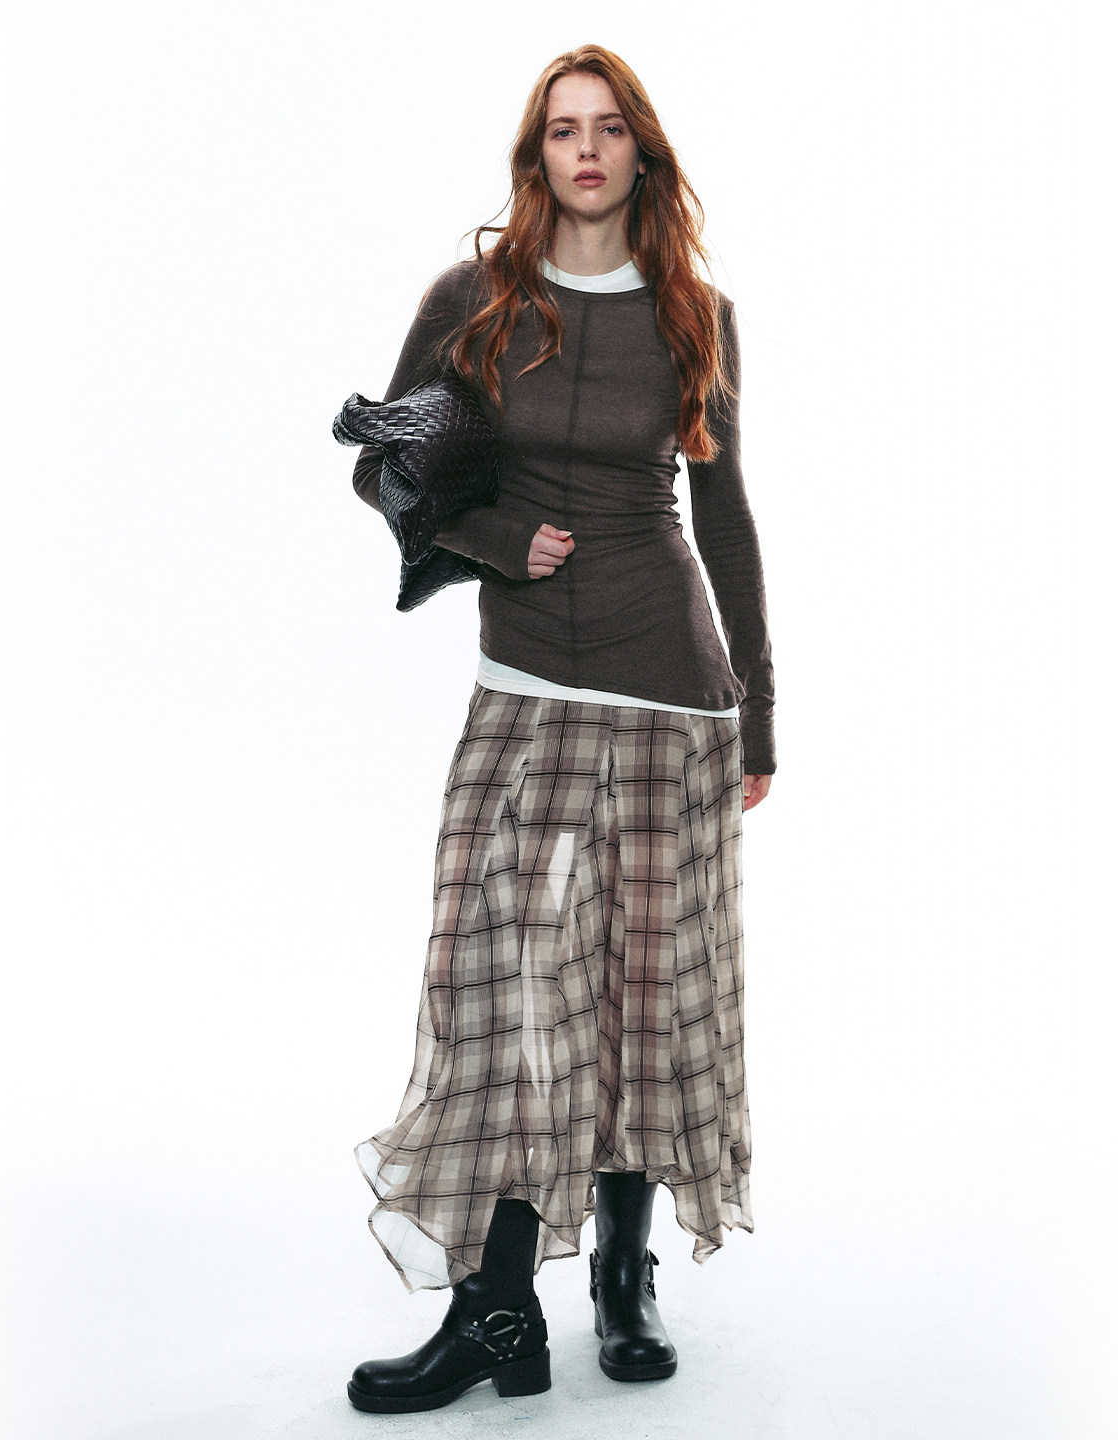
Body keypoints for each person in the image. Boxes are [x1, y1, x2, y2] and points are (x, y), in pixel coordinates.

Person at [344, 44, 776, 1415]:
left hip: (669, 690)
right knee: (500, 996)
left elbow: (724, 515)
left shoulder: (696, 313)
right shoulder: (474, 300)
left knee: (639, 999)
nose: (585, 150)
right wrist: (489, 536)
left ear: (642, 152)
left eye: (608, 129)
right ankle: (496, 1312)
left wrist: (760, 712)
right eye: (560, 131)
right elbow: (388, 460)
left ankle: (625, 1277)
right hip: (525, 686)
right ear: (535, 158)